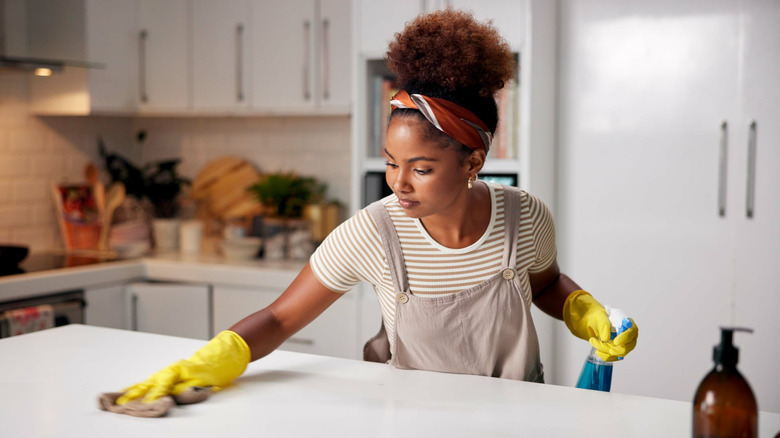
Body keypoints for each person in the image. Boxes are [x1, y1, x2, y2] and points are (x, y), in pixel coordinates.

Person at [114, 9, 638, 406]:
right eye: (391, 162)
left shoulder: (525, 216)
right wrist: (207, 362)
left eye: (422, 167)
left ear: (473, 160)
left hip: (521, 414)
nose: (399, 184)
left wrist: (584, 312)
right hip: (412, 416)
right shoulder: (374, 231)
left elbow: (544, 284)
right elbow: (278, 318)